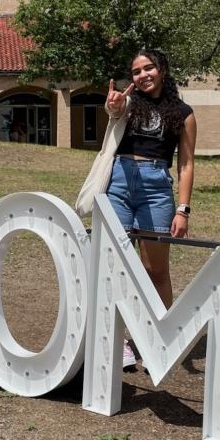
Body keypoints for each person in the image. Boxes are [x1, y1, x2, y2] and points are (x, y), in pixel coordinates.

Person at [78, 48, 196, 367]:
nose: (142, 75)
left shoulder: (183, 113)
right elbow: (115, 110)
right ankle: (119, 341)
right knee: (115, 265)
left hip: (157, 187)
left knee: (155, 270)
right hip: (118, 181)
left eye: (148, 68)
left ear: (163, 70)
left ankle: (158, 336)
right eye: (136, 71)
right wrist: (113, 105)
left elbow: (186, 163)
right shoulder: (129, 103)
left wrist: (182, 209)